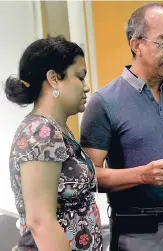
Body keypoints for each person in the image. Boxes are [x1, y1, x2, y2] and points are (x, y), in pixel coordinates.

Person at [80, 3, 163, 251]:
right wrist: (142, 175)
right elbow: (88, 177)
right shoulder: (103, 103)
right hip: (138, 233)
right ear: (136, 45)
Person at [5, 36, 102, 250]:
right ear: (54, 78)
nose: (86, 88)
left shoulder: (58, 129)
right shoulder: (41, 132)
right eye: (80, 77)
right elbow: (41, 222)